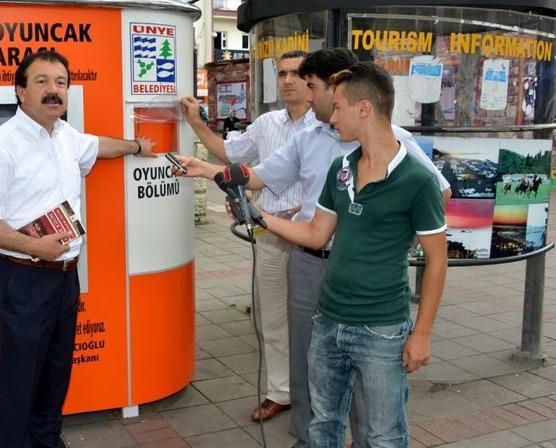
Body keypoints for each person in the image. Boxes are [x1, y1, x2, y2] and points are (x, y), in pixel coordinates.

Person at [177, 48, 451, 448]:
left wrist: (420, 327)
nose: (321, 108)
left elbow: (437, 240)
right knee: (319, 400)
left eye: (325, 97)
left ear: (362, 108)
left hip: (379, 314)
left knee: (380, 425)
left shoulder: (408, 163)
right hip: (322, 294)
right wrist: (248, 208)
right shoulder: (335, 162)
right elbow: (311, 226)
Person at [0, 50, 156, 448]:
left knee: (55, 374)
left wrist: (136, 146)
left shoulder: (65, 135)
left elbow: (97, 146)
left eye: (61, 82)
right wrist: (35, 247)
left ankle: (48, 442)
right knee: (19, 381)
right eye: (41, 82)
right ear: (20, 91)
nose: (54, 90)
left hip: (65, 278)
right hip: (22, 279)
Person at [181, 50, 314, 423]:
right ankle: (281, 393)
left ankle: (317, 393)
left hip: (315, 240)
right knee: (271, 319)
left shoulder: (329, 126)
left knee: (315, 322)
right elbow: (229, 153)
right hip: (270, 234)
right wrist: (196, 124)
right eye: (282, 73)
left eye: (296, 73)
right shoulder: (268, 123)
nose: (288, 80)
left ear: (312, 80)